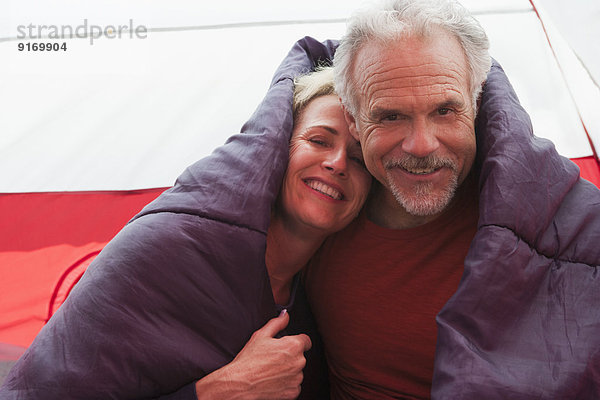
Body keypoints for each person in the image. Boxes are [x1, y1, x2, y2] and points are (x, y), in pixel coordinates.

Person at [0, 47, 370, 399]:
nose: (337, 163)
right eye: (319, 140)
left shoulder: (323, 300)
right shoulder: (164, 251)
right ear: (274, 152)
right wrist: (215, 393)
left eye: (358, 158)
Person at [300, 0, 600, 399]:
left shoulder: (571, 224)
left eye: (445, 110)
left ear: (475, 104)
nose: (421, 145)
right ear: (353, 120)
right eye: (390, 116)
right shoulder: (313, 218)